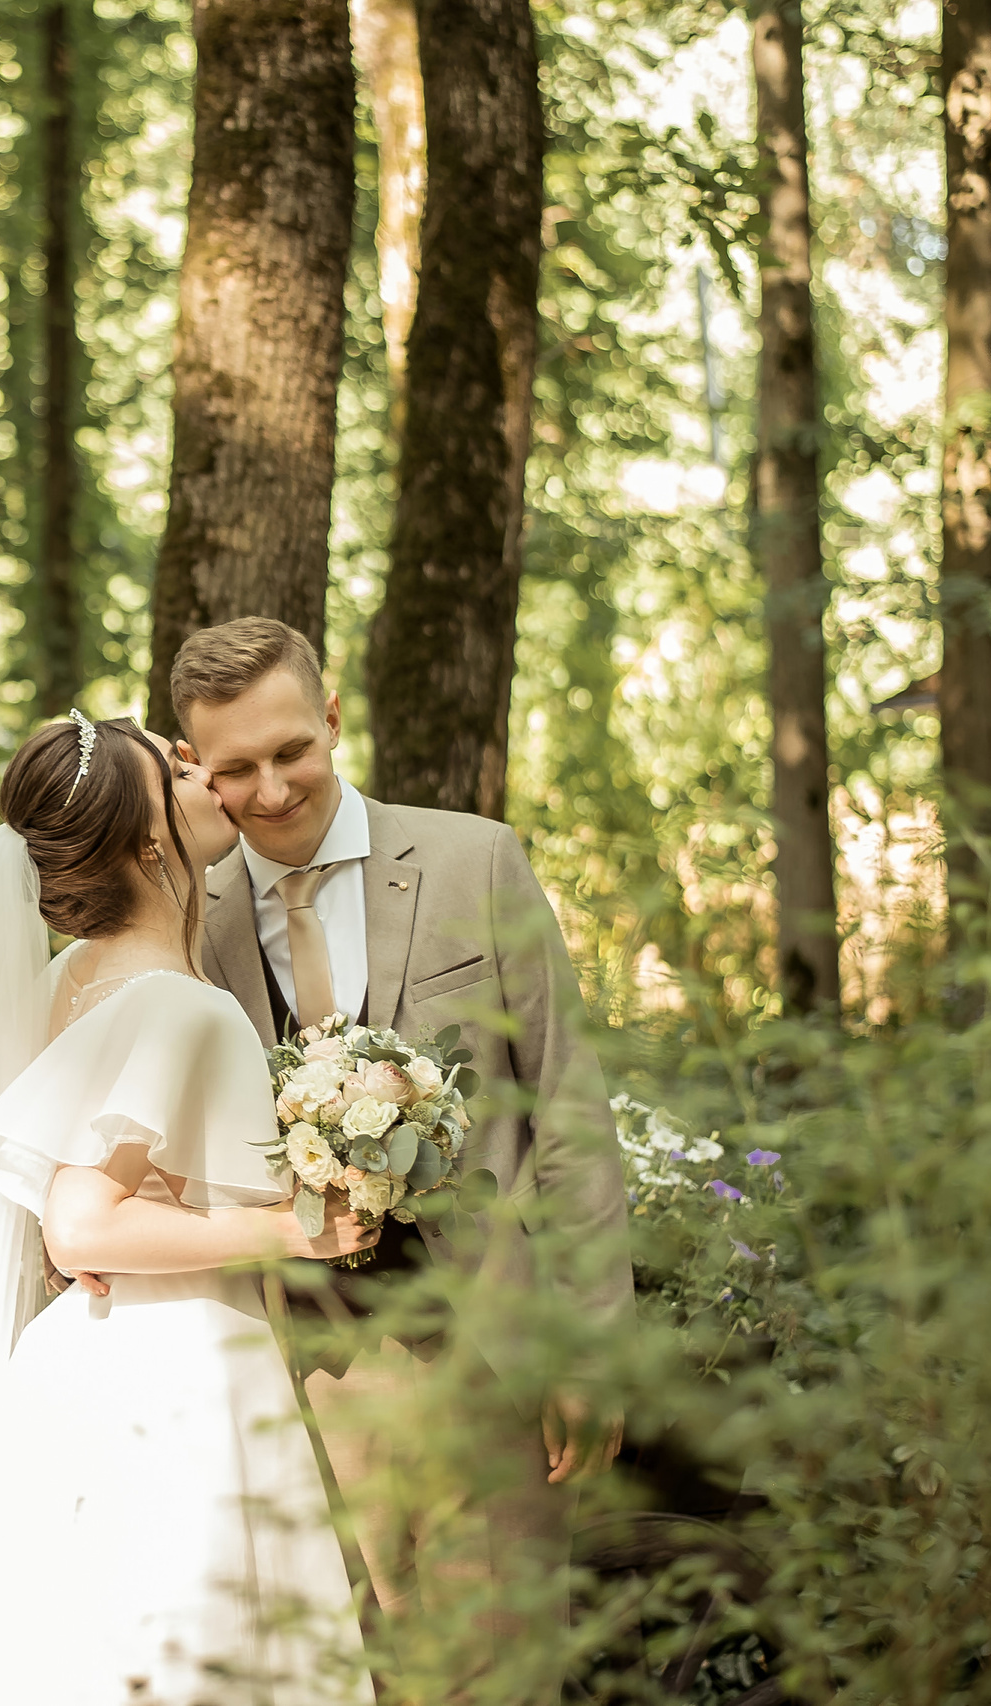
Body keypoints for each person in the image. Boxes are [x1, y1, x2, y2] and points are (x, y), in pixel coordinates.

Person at [0, 711, 379, 1706]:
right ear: (149, 838)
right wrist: (290, 1227)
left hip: (85, 1354)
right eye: (177, 775)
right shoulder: (181, 1004)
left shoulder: (71, 979)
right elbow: (80, 1222)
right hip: (180, 1375)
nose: (205, 783)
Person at [168, 615, 633, 1686]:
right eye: (236, 769)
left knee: (499, 1664)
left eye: (293, 749)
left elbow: (564, 1106)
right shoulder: (189, 919)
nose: (274, 788)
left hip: (491, 1341)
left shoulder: (476, 858)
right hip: (297, 1361)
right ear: (194, 766)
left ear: (331, 718)